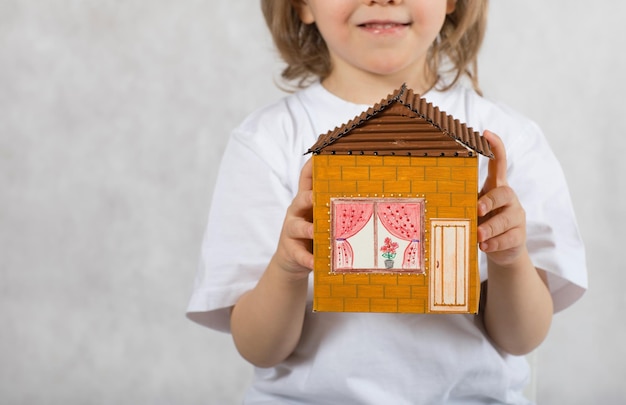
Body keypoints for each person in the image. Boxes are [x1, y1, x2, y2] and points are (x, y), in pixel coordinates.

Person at [187, 0, 588, 403]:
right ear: (302, 5)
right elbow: (259, 347)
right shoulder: (266, 143)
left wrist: (511, 259)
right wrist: (287, 269)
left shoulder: (509, 140)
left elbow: (522, 339)